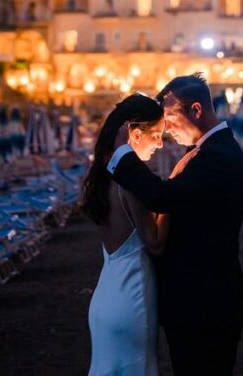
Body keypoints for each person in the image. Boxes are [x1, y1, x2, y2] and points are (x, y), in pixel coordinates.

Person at [108, 74, 243, 376]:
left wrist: (122, 154)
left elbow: (162, 197)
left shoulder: (218, 157)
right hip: (197, 304)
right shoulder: (205, 153)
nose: (167, 129)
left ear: (196, 110)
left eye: (170, 117)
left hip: (206, 306)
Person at [80, 93, 167, 376]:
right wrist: (174, 202)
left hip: (105, 299)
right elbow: (154, 243)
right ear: (134, 132)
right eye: (156, 134)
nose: (160, 143)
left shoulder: (103, 178)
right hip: (132, 300)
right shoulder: (129, 183)